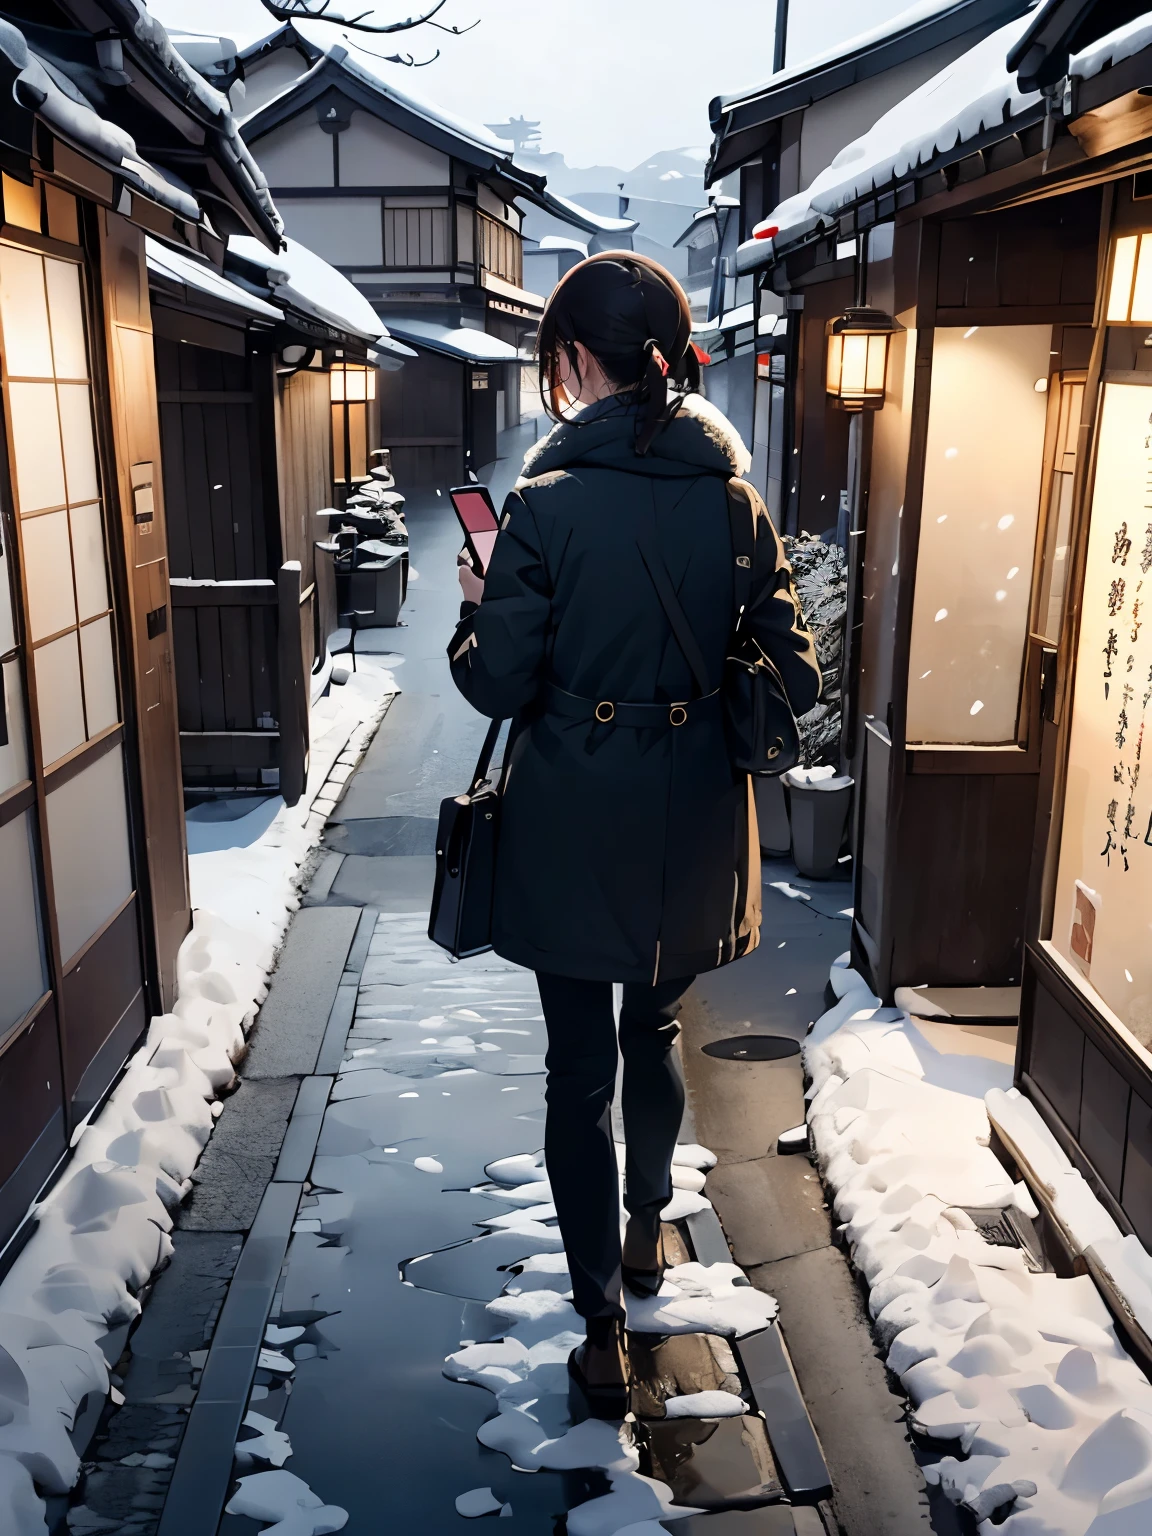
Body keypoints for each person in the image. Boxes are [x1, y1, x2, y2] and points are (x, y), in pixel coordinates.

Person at [447, 253, 820, 1416]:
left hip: (570, 813)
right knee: (653, 1020)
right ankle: (650, 1228)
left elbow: (496, 685)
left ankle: (600, 1326)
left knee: (576, 1070)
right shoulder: (732, 499)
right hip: (694, 815)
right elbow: (796, 671)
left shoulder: (543, 509)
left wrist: (476, 608)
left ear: (574, 362)